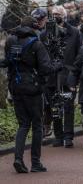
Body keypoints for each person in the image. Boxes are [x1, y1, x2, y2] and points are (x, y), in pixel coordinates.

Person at [2, 16, 60, 173]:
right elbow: (45, 69)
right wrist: (58, 65)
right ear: (34, 28)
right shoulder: (36, 44)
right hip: (33, 89)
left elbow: (6, 62)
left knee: (23, 124)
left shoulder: (10, 41)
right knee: (37, 124)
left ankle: (18, 159)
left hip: (16, 86)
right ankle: (35, 162)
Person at [40, 5, 81, 148]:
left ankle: (68, 136)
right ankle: (58, 136)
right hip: (51, 77)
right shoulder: (44, 34)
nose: (55, 16)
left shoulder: (74, 32)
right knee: (54, 107)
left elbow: (79, 55)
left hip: (68, 75)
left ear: (64, 15)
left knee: (68, 106)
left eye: (58, 14)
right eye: (53, 14)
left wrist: (75, 75)